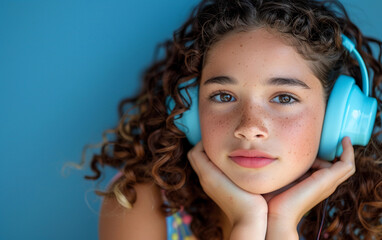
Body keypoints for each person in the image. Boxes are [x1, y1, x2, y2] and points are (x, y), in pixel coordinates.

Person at [83, 0, 382, 239]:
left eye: (284, 98)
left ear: (336, 116)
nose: (249, 127)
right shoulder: (141, 202)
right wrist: (246, 224)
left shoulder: (366, 223)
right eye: (224, 96)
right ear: (189, 112)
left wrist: (281, 225)